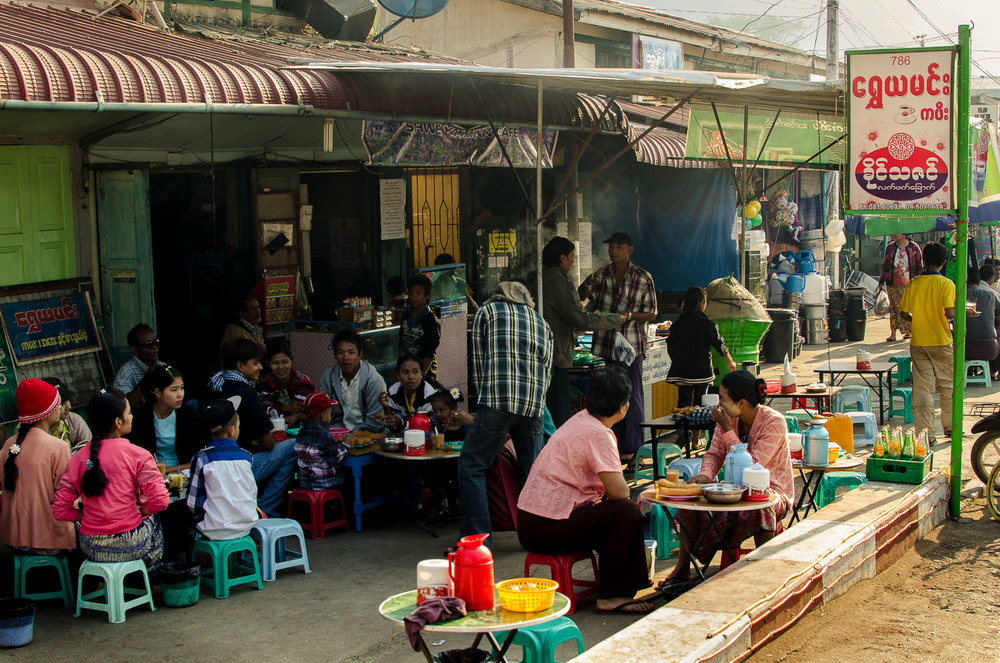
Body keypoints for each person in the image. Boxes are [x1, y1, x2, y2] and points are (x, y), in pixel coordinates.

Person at [517, 367, 655, 614]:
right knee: (626, 512)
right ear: (623, 407)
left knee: (610, 511)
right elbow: (620, 492)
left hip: (533, 522)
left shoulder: (581, 419)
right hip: (546, 526)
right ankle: (612, 595)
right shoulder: (598, 433)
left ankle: (615, 586)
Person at [662, 371, 793, 586]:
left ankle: (764, 573)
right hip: (733, 488)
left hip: (770, 491)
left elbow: (753, 467)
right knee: (690, 506)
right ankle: (683, 568)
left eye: (723, 398)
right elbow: (714, 453)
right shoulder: (728, 419)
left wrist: (729, 431)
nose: (719, 404)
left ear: (741, 403)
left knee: (760, 509)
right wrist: (704, 476)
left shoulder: (774, 422)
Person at [459, 281, 553, 544]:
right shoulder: (541, 322)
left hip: (498, 402)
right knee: (531, 473)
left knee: (471, 465)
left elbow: (479, 362)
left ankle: (477, 541)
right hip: (534, 406)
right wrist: (535, 403)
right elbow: (547, 373)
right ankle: (537, 537)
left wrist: (482, 402)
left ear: (498, 296)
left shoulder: (486, 313)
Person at [52, 389, 169, 566]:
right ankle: (151, 580)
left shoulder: (76, 459)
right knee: (155, 521)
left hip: (92, 547)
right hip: (131, 543)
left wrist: (86, 516)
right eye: (129, 413)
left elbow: (60, 510)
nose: (132, 416)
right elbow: (160, 501)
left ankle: (103, 582)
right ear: (118, 422)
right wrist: (143, 511)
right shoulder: (138, 455)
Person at [578, 232, 657, 458]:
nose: (613, 251)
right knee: (606, 398)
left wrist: (630, 314)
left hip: (631, 347)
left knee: (632, 397)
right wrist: (586, 283)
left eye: (619, 247)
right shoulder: (601, 274)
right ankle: (607, 450)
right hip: (604, 345)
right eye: (611, 247)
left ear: (629, 249)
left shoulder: (643, 277)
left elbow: (651, 313)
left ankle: (633, 451)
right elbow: (582, 297)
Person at [541, 236, 624, 427]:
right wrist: (614, 319)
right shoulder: (557, 281)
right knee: (558, 413)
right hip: (555, 355)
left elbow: (570, 306)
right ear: (562, 257)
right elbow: (579, 318)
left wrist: (586, 285)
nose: (572, 261)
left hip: (547, 353)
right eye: (571, 257)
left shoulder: (545, 277)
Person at [215, 339, 297, 518]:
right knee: (293, 447)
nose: (260, 367)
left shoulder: (215, 384)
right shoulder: (246, 392)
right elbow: (268, 443)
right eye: (255, 363)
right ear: (240, 365)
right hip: (241, 466)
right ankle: (267, 509)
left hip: (216, 466)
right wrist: (259, 442)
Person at [0, 379, 76, 555]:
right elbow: (67, 495)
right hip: (48, 541)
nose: (60, 407)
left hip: (13, 540)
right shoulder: (58, 447)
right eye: (56, 403)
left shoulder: (9, 445)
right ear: (46, 412)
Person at [900, 241, 957, 442]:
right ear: (944, 262)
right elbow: (950, 312)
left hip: (919, 342)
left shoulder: (914, 284)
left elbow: (904, 314)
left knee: (923, 389)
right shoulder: (946, 284)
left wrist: (920, 319)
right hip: (941, 341)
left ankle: (926, 435)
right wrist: (965, 313)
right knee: (948, 386)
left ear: (924, 260)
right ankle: (951, 427)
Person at [187, 397, 259, 541]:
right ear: (232, 430)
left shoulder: (203, 457)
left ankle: (200, 558)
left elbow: (193, 503)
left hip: (214, 528)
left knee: (185, 524)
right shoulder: (247, 457)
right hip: (246, 525)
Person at [666, 287, 737, 407]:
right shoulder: (708, 325)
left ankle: (682, 425)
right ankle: (699, 425)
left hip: (682, 372)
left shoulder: (677, 325)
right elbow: (719, 344)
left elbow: (670, 346)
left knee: (683, 404)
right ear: (702, 303)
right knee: (702, 404)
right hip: (702, 372)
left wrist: (678, 361)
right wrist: (730, 361)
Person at [129, 365, 208, 471]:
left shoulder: (189, 415)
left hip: (185, 474)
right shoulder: (142, 417)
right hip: (151, 475)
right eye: (174, 390)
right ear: (157, 392)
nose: (180, 394)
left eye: (182, 388)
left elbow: (201, 458)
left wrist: (168, 469)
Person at [319, 328, 387, 433]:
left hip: (368, 435)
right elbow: (322, 411)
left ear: (360, 354)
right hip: (337, 434)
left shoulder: (374, 380)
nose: (345, 357)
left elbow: (376, 421)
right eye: (340, 352)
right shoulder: (328, 377)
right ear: (335, 355)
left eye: (351, 352)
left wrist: (353, 435)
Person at [294, 392, 351, 490]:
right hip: (324, 483)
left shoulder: (301, 432)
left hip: (305, 483)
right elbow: (335, 458)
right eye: (330, 413)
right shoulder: (325, 435)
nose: (331, 416)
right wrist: (345, 445)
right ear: (323, 416)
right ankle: (338, 503)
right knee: (347, 475)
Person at [259, 338, 316, 427]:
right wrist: (284, 409)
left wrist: (277, 412)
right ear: (268, 363)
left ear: (292, 360)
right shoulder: (268, 382)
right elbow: (264, 411)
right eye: (275, 363)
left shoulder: (303, 383)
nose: (281, 367)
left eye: (285, 362)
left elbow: (296, 414)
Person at [878, 234, 923, 342]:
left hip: (909, 284)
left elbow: (919, 265)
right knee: (894, 308)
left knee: (907, 307)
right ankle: (893, 333)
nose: (894, 234)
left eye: (897, 232)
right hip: (892, 283)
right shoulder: (890, 247)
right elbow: (885, 265)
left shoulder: (914, 248)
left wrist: (920, 281)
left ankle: (908, 331)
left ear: (904, 235)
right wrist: (881, 281)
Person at [379, 354, 438, 432]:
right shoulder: (394, 391)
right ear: (398, 375)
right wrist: (386, 407)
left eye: (415, 372)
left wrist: (402, 423)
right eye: (405, 372)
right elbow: (393, 425)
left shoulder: (429, 394)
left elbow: (425, 426)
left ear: (422, 374)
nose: (410, 377)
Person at [113, 323, 165, 409]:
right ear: (135, 350)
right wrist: (146, 380)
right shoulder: (126, 373)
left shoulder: (162, 365)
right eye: (148, 344)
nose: (154, 347)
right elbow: (120, 407)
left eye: (156, 343)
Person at [399, 273, 441, 381]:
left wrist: (421, 375)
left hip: (425, 374)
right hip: (406, 371)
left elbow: (429, 352)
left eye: (418, 293)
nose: (413, 296)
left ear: (426, 295)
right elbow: (401, 344)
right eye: (411, 292)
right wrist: (398, 369)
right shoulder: (406, 315)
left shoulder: (430, 319)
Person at [965, 264, 1000, 374]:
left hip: (964, 349)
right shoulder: (991, 295)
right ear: (979, 281)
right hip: (990, 349)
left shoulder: (958, 295)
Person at [41, 377, 91, 450]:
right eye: (61, 402)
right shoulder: (34, 430)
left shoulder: (74, 420)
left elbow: (89, 449)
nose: (69, 406)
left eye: (67, 400)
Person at [219, 294, 264, 360]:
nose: (258, 311)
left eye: (258, 307)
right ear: (242, 313)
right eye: (253, 308)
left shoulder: (256, 329)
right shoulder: (234, 332)